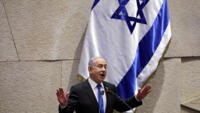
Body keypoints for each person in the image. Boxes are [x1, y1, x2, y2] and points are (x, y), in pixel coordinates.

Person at [56, 57, 152, 113]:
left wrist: (137, 98)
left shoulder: (110, 88)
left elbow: (122, 106)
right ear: (90, 69)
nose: (103, 70)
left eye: (105, 67)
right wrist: (64, 106)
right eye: (100, 66)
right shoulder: (78, 90)